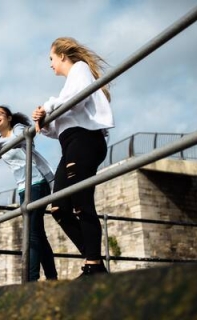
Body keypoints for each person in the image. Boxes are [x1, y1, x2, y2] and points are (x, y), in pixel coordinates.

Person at [32, 37, 114, 277]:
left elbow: (76, 101)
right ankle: (95, 262)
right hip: (70, 144)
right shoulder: (66, 87)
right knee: (58, 208)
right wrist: (43, 118)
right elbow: (58, 127)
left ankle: (93, 265)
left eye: (51, 59)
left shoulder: (80, 70)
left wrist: (48, 106)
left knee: (81, 204)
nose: (50, 65)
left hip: (85, 141)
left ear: (62, 55)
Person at [0, 105, 58, 282]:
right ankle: (52, 277)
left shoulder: (18, 129)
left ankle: (30, 281)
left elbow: (19, 138)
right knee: (37, 233)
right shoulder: (1, 141)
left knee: (31, 233)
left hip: (37, 182)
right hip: (23, 188)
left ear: (9, 118)